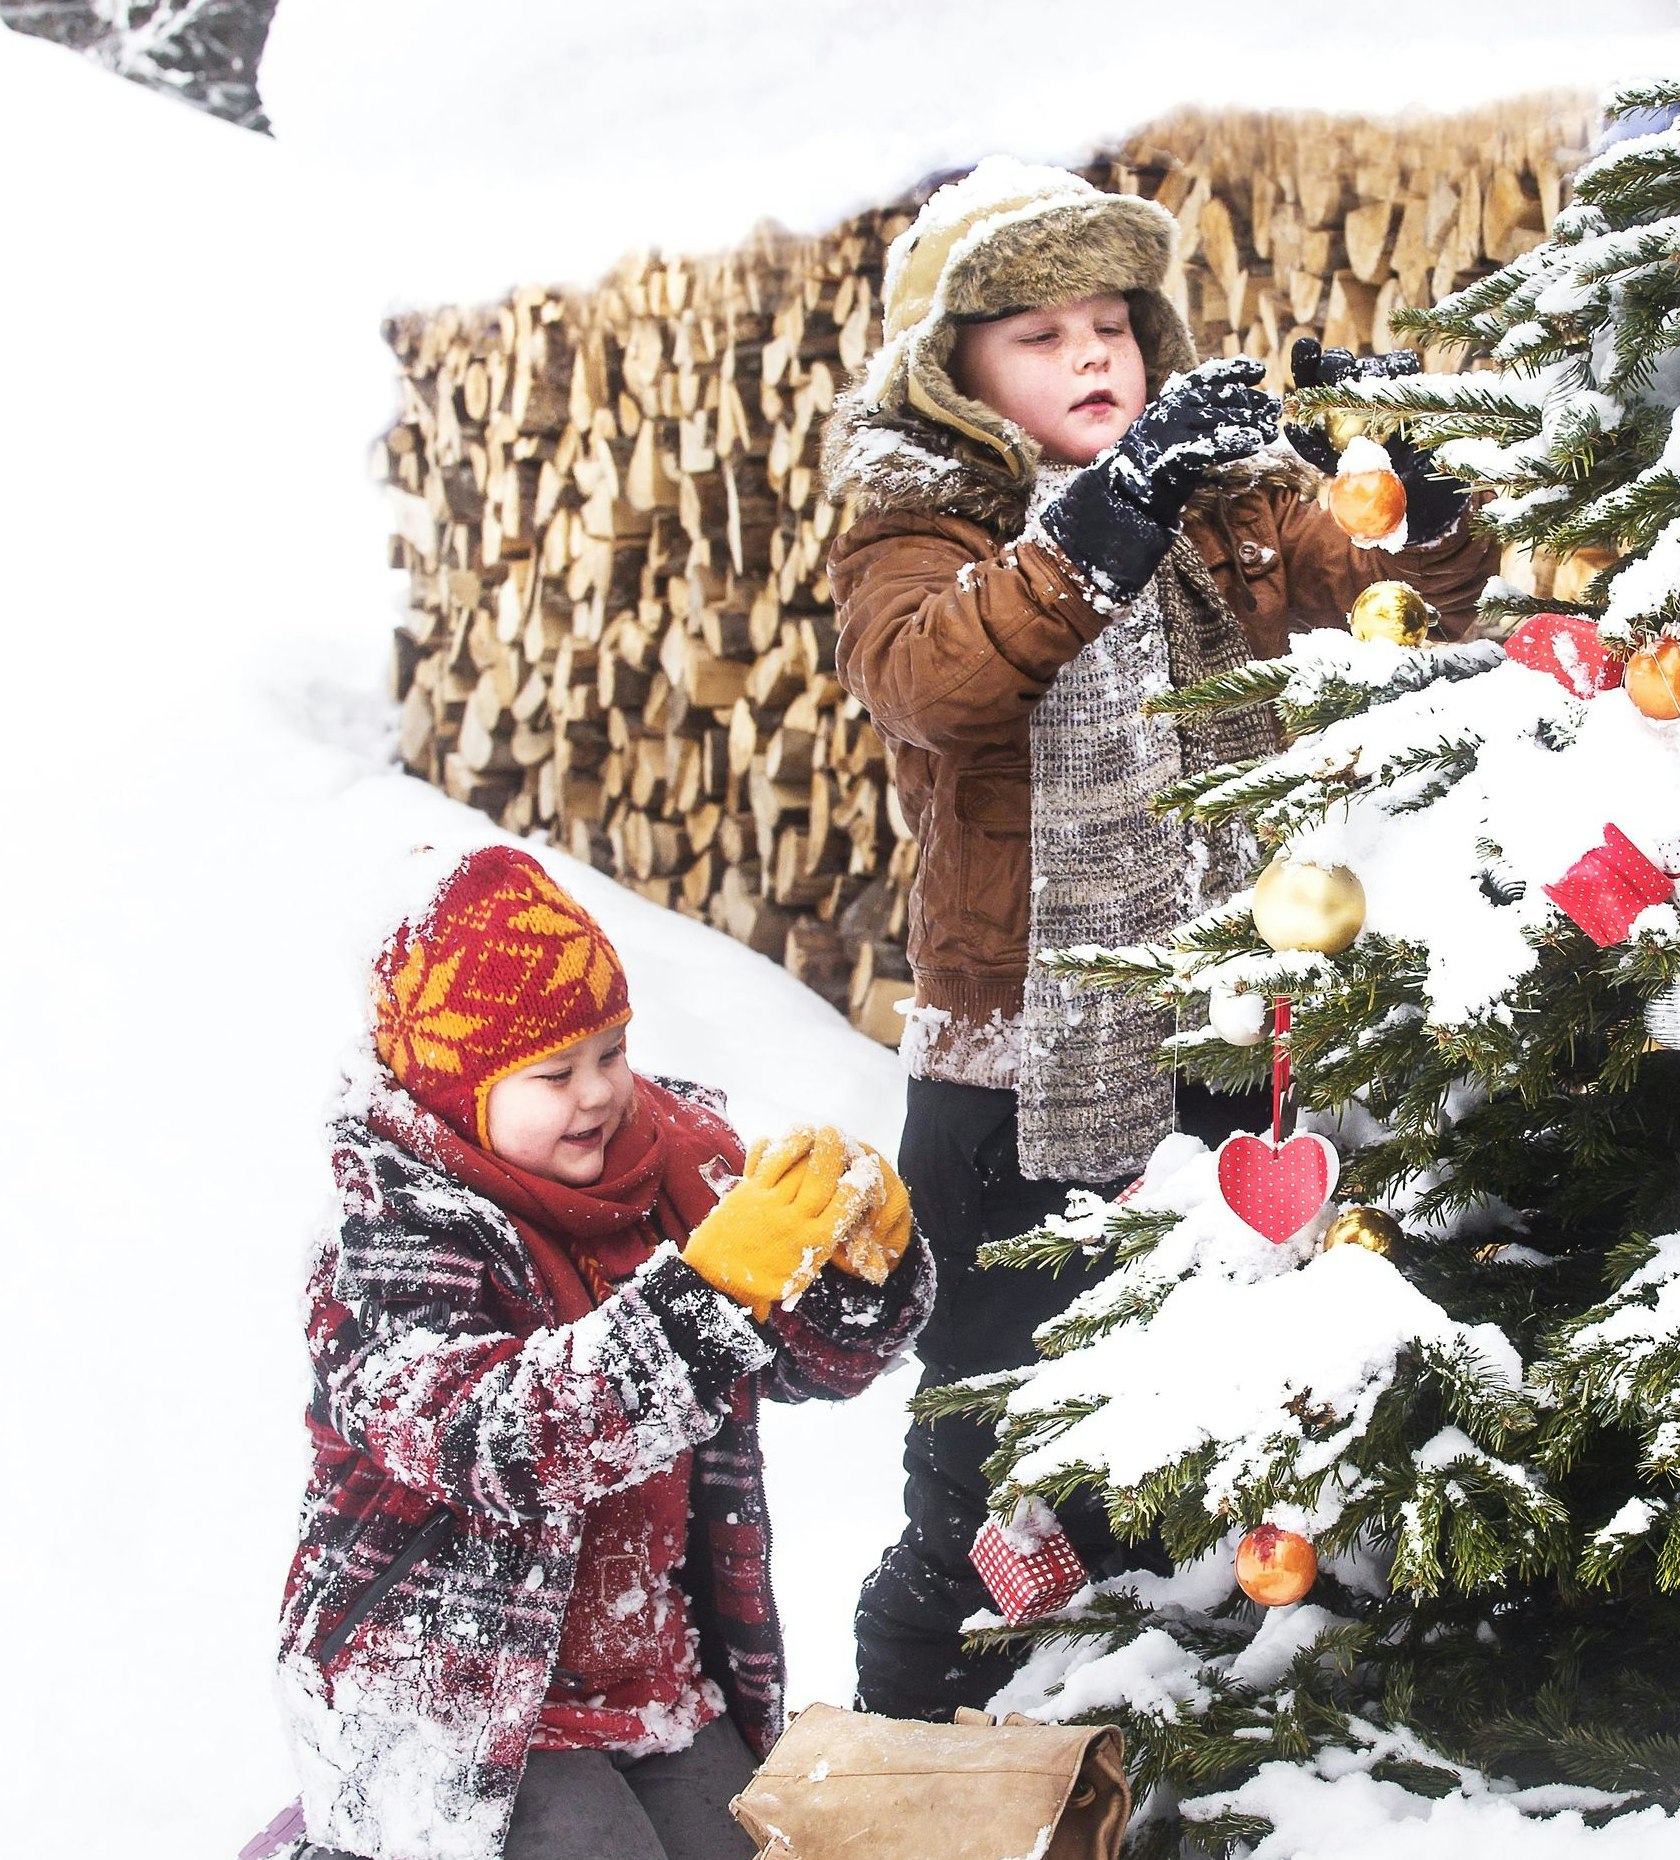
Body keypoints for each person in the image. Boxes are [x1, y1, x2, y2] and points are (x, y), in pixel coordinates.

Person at [822, 159, 1491, 1719]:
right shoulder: (918, 521)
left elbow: (1400, 604)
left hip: (1222, 1032)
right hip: (1015, 1076)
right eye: (1041, 335)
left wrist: (1412, 483)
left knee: (1197, 1432)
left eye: (1113, 321)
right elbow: (933, 680)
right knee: (989, 1456)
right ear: (957, 370)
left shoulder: (1235, 496)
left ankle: (1150, 1730)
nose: (1096, 357)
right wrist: (1102, 524)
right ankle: (911, 1741)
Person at [277, 845, 933, 1860]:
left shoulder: (674, 1155)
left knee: (742, 1846)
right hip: (456, 1695)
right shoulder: (388, 1240)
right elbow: (499, 1444)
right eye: (554, 1073)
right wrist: (705, 1295)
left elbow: (810, 1362)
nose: (598, 1094)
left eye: (610, 1051)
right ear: (458, 1086)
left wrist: (855, 1275)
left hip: (645, 1669)